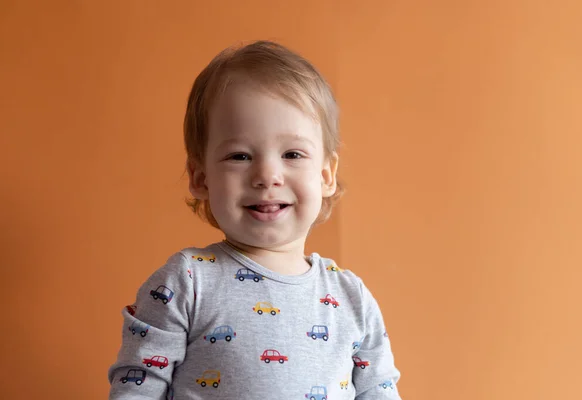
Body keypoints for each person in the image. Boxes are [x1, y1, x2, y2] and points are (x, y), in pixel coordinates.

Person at [108, 39, 401, 399]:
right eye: (240, 156)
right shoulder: (186, 282)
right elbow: (137, 387)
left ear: (326, 176)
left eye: (292, 154)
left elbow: (380, 392)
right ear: (201, 178)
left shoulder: (351, 298)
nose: (266, 175)